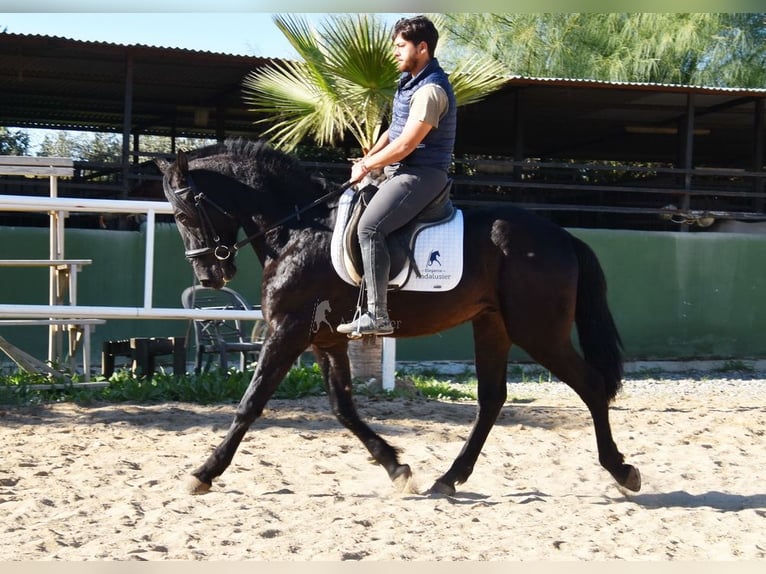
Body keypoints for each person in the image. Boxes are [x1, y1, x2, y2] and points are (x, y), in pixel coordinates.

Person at [336, 15, 457, 336]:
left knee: (369, 228)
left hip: (422, 174)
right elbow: (394, 130)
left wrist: (367, 166)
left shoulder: (431, 90)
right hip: (401, 170)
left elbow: (406, 144)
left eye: (401, 47)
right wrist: (369, 160)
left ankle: (377, 315)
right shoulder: (411, 84)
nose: (395, 53)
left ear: (422, 47)